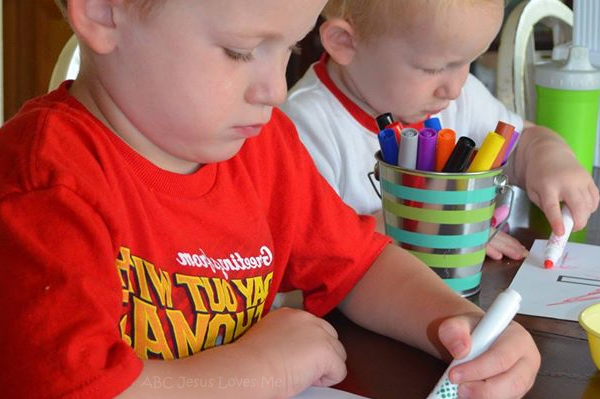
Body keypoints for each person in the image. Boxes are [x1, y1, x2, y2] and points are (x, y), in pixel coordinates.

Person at [0, 0, 540, 398]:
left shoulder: (263, 147)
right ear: (103, 11)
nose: (276, 90)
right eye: (241, 51)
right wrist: (260, 371)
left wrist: (458, 324)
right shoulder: (42, 184)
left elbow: (359, 266)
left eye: (287, 50)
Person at [281, 0, 600, 261]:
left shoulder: (458, 98)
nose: (455, 87)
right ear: (345, 43)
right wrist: (435, 227)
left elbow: (520, 144)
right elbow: (307, 247)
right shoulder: (300, 129)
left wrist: (549, 156)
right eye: (432, 69)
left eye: (467, 62)